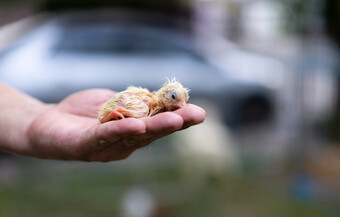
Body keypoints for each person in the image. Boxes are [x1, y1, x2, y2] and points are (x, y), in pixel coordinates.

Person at [0, 82, 206, 162]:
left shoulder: (150, 105)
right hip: (122, 109)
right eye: (174, 98)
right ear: (164, 96)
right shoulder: (143, 106)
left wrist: (31, 119)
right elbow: (108, 113)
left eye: (182, 100)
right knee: (138, 116)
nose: (180, 104)